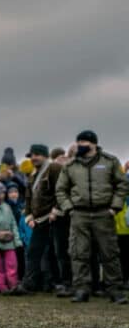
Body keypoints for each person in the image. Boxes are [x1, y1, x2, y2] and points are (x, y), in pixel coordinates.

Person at [55, 130, 128, 304]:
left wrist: (115, 207)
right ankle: (81, 289)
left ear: (93, 144)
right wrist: (69, 208)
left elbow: (122, 185)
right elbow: (61, 190)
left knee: (109, 253)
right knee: (78, 253)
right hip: (79, 214)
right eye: (78, 141)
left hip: (103, 213)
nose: (80, 145)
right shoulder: (70, 166)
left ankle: (115, 290)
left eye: (84, 142)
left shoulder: (109, 162)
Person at [13, 144, 68, 295]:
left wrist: (56, 210)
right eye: (32, 155)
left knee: (59, 252)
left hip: (56, 217)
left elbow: (61, 189)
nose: (34, 158)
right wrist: (29, 214)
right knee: (33, 252)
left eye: (37, 154)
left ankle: (64, 284)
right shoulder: (32, 175)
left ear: (45, 155)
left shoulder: (54, 168)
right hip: (39, 219)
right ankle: (28, 284)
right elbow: (29, 197)